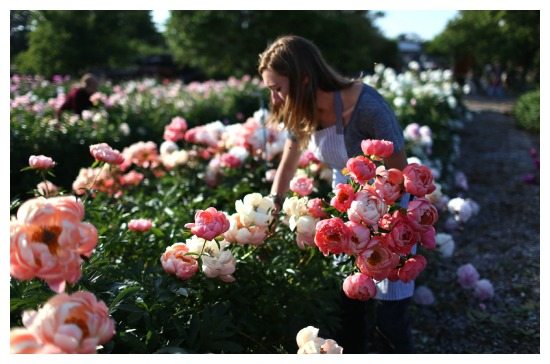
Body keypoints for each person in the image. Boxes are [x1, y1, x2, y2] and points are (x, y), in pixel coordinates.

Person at [258, 35, 414, 353]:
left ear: (303, 79)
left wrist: (385, 231)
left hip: (388, 213)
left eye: (277, 88)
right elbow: (288, 162)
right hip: (344, 213)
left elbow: (401, 177)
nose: (274, 98)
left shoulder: (367, 108)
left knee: (390, 314)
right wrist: (272, 207)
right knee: (348, 305)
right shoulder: (303, 109)